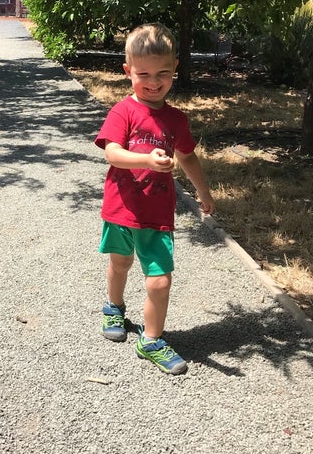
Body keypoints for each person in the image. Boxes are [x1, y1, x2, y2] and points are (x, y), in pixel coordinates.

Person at [95, 23, 215, 375]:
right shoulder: (124, 112)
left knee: (160, 279)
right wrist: (147, 160)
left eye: (163, 73)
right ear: (128, 71)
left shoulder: (176, 119)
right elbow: (113, 154)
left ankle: (150, 340)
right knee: (120, 264)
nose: (153, 81)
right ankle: (113, 306)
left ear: (175, 68)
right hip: (121, 209)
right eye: (143, 73)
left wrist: (202, 190)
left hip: (158, 215)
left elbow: (188, 156)